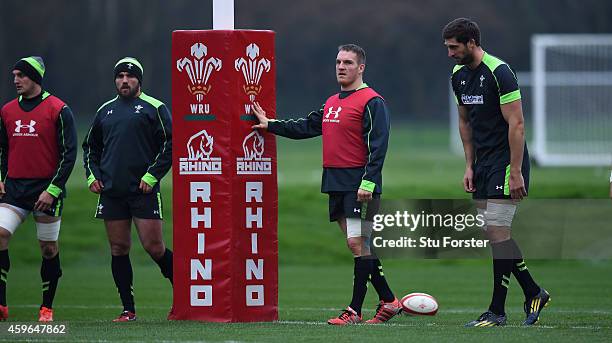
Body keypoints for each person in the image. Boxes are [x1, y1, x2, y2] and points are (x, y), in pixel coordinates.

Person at [252, 44, 400, 325]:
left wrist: (369, 181)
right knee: (359, 246)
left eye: (347, 62)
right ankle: (389, 301)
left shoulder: (372, 102)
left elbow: (378, 146)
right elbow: (306, 126)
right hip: (335, 182)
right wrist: (271, 125)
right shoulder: (332, 102)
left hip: (359, 183)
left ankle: (354, 311)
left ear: (361, 68)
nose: (341, 67)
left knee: (358, 243)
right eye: (338, 62)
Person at [443, 18, 550, 327]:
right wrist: (468, 165)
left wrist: (516, 171)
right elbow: (465, 121)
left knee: (498, 231)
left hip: (507, 162)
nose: (449, 54)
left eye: (454, 47)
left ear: (471, 43)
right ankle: (533, 290)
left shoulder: (500, 72)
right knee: (494, 234)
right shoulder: (458, 75)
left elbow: (517, 124)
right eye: (447, 47)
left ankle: (497, 312)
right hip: (483, 164)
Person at [82, 57, 173, 322]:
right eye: (120, 76)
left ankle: (186, 298)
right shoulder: (105, 110)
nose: (124, 81)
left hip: (142, 191)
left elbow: (170, 145)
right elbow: (90, 147)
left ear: (139, 80)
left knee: (154, 247)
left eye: (130, 77)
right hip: (111, 191)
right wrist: (92, 177)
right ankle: (127, 309)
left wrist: (151, 175)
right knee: (118, 248)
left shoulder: (154, 108)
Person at [0, 56, 77, 322]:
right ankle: (1, 304)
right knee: (0, 234)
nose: (16, 80)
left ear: (34, 78)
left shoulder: (58, 109)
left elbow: (69, 155)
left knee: (48, 248)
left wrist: (53, 190)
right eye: (14, 75)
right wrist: (1, 178)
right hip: (14, 190)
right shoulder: (7, 111)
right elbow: (2, 150)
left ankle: (47, 307)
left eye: (21, 75)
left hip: (46, 190)